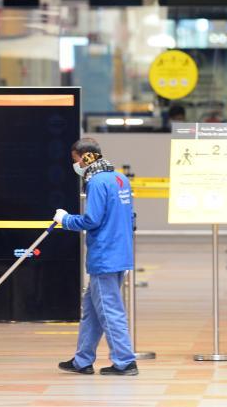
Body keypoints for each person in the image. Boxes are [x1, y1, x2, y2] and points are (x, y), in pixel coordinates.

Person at [54, 138, 138, 376]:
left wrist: (65, 220)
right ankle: (82, 360)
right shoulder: (120, 178)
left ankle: (125, 361)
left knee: (110, 310)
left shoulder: (97, 181)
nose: (76, 165)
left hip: (104, 256)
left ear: (85, 156)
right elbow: (130, 217)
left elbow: (92, 220)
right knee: (91, 310)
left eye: (76, 160)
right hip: (120, 252)